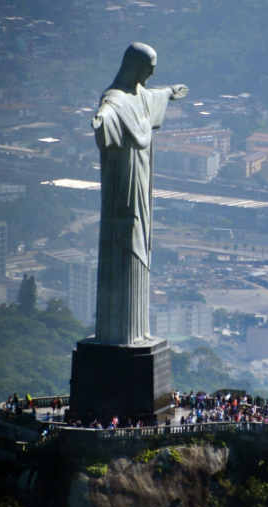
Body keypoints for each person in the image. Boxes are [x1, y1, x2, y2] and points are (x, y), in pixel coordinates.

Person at [92, 42, 187, 345]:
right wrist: (102, 121)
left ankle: (137, 330)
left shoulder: (141, 96)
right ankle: (119, 333)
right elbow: (107, 113)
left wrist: (169, 92)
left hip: (142, 183)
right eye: (148, 69)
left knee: (141, 243)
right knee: (125, 242)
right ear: (134, 66)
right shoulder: (115, 99)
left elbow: (152, 96)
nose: (151, 75)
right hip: (124, 187)